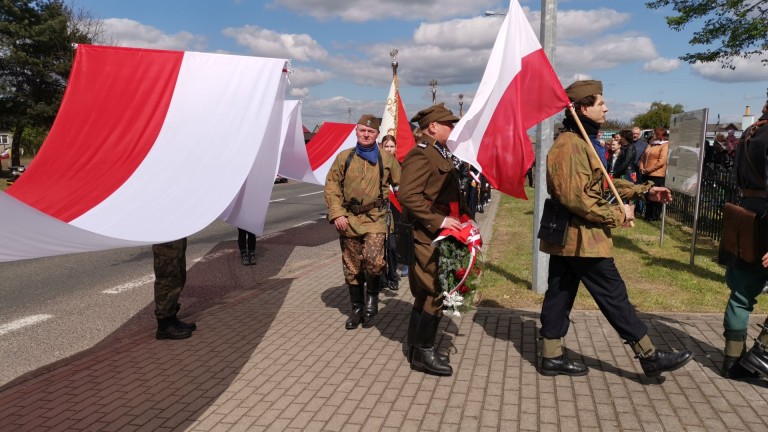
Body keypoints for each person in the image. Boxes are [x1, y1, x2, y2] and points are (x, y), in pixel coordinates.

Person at [538, 80, 692, 378]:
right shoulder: (570, 145)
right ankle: (649, 355)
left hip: (575, 236)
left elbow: (604, 183)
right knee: (613, 294)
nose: (606, 108)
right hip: (581, 238)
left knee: (560, 293)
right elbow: (577, 198)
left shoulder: (582, 141)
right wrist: (618, 214)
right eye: (600, 103)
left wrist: (645, 191)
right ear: (583, 109)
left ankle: (551, 356)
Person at [399, 103, 475, 376]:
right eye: (448, 124)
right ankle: (424, 352)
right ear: (432, 126)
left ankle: (416, 348)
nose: (452, 128)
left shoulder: (439, 152)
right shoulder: (421, 154)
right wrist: (440, 221)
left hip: (441, 232)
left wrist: (467, 218)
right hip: (427, 234)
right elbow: (408, 195)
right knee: (436, 291)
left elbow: (452, 193)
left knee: (427, 292)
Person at [324, 115, 401, 330]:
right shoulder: (344, 157)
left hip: (376, 217)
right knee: (352, 266)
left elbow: (402, 184)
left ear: (377, 134)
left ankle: (372, 297)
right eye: (362, 131)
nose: (366, 134)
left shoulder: (387, 159)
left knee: (374, 260)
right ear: (356, 132)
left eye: (370, 132)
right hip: (349, 218)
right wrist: (337, 214)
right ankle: (357, 309)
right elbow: (331, 186)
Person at [720, 98, 768, 381]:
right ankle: (761, 354)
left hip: (748, 215)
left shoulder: (752, 131)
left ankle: (732, 359)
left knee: (741, 295)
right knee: (741, 294)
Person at [153, 238, 197, 340]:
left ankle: (172, 318)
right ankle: (164, 325)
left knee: (178, 276)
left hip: (175, 236)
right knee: (167, 279)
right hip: (165, 239)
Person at [380, 134, 401, 291]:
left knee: (392, 246)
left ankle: (393, 275)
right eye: (386, 146)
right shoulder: (376, 164)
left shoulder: (400, 166)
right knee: (380, 246)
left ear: (396, 148)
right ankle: (381, 278)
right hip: (381, 211)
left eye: (391, 146)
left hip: (396, 211)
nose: (388, 149)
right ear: (381, 147)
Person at [639, 128, 669, 221]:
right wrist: (642, 168)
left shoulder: (664, 145)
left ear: (660, 135)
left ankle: (655, 216)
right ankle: (648, 215)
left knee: (656, 195)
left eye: (654, 134)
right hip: (646, 173)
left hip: (656, 175)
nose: (652, 135)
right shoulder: (651, 144)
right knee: (647, 194)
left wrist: (648, 170)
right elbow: (643, 157)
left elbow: (661, 161)